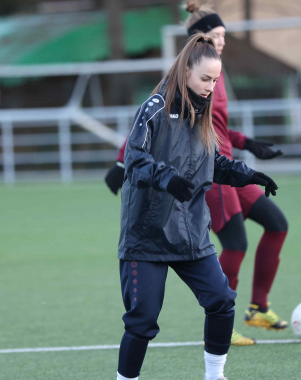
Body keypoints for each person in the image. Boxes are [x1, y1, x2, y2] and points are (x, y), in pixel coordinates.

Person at [111, 33, 279, 380]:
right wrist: (165, 178)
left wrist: (250, 174)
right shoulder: (154, 108)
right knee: (143, 319)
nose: (211, 87)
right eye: (205, 79)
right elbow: (133, 161)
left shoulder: (200, 114)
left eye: (216, 81)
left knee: (221, 300)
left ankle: (215, 379)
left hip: (190, 234)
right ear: (186, 70)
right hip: (147, 236)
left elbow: (214, 163)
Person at [105, 2, 289, 347]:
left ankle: (256, 307)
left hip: (225, 164)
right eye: (215, 35)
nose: (222, 41)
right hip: (204, 171)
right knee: (236, 242)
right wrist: (121, 163)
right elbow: (150, 124)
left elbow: (215, 130)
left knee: (277, 223)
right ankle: (223, 317)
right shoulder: (187, 79)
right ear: (196, 42)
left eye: (223, 35)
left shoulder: (214, 78)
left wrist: (250, 144)